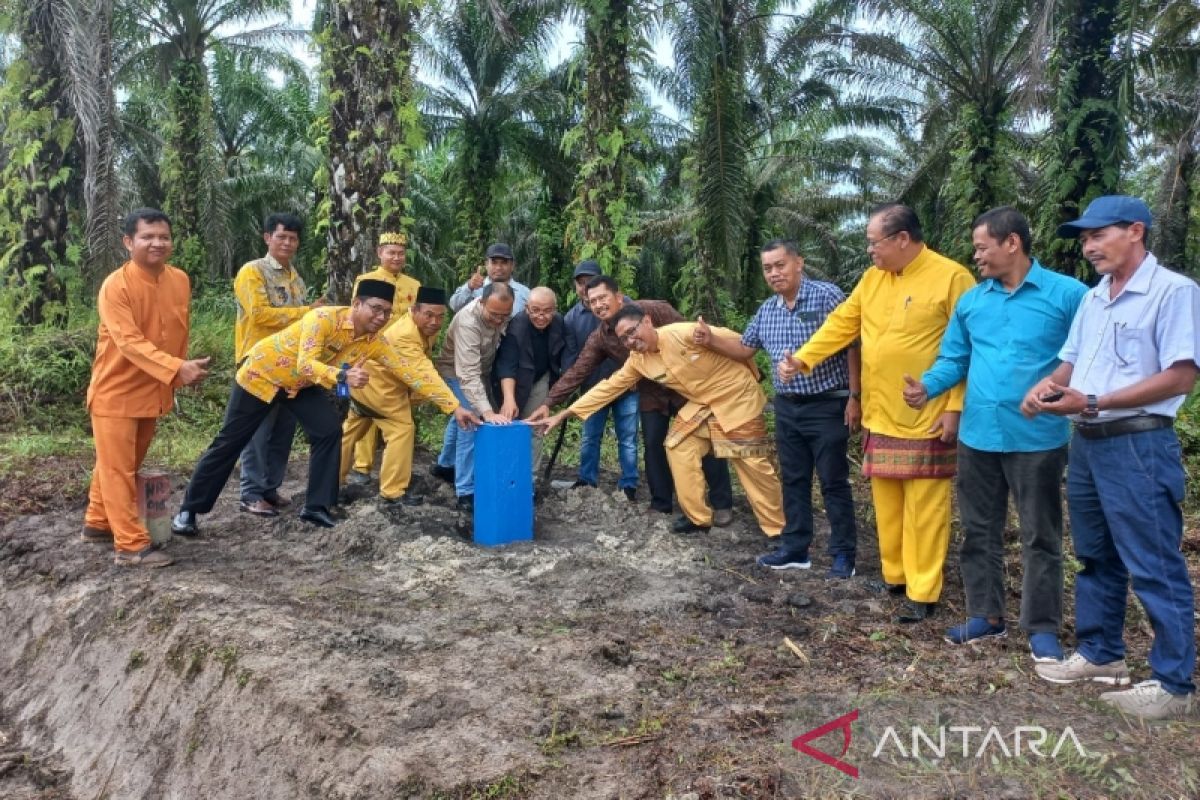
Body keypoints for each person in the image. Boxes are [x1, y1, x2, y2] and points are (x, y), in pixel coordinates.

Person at [1021, 195, 1198, 720]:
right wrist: (1045, 388)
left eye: (1098, 235)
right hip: (1091, 445)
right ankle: (1102, 654)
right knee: (1096, 556)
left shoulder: (1173, 291)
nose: (1089, 246)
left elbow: (1180, 374)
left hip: (1139, 444)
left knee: (1154, 563)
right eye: (1084, 238)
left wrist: (1093, 402)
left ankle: (1174, 683)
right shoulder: (1096, 297)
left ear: (1136, 231)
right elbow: (1072, 364)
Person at [902, 207, 1087, 660]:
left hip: (1037, 436)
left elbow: (1089, 354)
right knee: (979, 530)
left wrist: (1060, 390)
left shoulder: (1069, 295)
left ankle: (1041, 626)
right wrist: (928, 386)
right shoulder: (973, 302)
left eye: (982, 247)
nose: (976, 256)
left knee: (1040, 534)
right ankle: (985, 615)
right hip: (979, 435)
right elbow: (955, 358)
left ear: (1012, 244)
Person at [786, 204, 975, 623]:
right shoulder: (873, 279)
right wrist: (804, 359)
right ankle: (896, 576)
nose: (869, 250)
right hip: (881, 412)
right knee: (886, 501)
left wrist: (955, 407)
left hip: (928, 413)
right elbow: (842, 323)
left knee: (924, 506)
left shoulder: (952, 277)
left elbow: (966, 350)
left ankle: (923, 591)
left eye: (874, 242)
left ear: (902, 239)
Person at [171, 279, 475, 532]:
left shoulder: (375, 341)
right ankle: (189, 511)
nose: (381, 317)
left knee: (328, 431)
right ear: (356, 304)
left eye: (386, 312)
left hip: (300, 386)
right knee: (229, 442)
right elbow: (306, 363)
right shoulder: (323, 319)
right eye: (375, 309)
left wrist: (453, 407)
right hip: (261, 376)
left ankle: (317, 507)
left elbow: (413, 372)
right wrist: (342, 375)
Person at [694, 239, 861, 577]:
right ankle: (796, 548)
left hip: (828, 403)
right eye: (768, 268)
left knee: (833, 481)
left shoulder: (827, 296)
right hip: (787, 408)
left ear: (798, 262)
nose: (774, 273)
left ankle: (844, 554)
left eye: (780, 265)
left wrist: (855, 396)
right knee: (794, 479)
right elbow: (745, 348)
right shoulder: (767, 310)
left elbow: (853, 343)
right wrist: (710, 339)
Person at [540, 307, 784, 537]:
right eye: (624, 339)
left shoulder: (684, 333)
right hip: (703, 404)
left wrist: (751, 372)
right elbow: (608, 388)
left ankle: (777, 529)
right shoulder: (639, 361)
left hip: (736, 396)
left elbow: (745, 344)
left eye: (632, 332)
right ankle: (697, 518)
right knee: (678, 446)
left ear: (647, 321)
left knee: (750, 462)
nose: (630, 341)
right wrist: (564, 414)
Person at [526, 276, 734, 527]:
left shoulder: (653, 310)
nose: (599, 305)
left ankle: (722, 503)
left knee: (707, 439)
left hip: (686, 387)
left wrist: (718, 377)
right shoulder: (601, 336)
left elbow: (693, 338)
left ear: (619, 297)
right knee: (653, 443)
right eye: (593, 302)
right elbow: (578, 371)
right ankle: (661, 503)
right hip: (650, 391)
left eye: (603, 298)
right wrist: (549, 402)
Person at [82, 208, 211, 567]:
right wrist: (175, 369)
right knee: (118, 471)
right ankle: (130, 545)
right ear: (129, 242)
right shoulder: (115, 286)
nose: (157, 243)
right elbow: (129, 343)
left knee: (121, 463)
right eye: (147, 237)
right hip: (116, 391)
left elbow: (176, 332)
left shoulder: (180, 280)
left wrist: (181, 373)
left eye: (163, 237)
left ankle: (96, 522)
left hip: (154, 388)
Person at [338, 287, 480, 506]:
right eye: (429, 315)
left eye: (440, 316)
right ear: (414, 310)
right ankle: (393, 492)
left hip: (366, 388)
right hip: (381, 390)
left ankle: (331, 480)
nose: (435, 321)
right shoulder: (406, 335)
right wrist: (455, 406)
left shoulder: (421, 328)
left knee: (350, 434)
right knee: (402, 430)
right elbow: (424, 375)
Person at [232, 212, 322, 518]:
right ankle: (251, 492)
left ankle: (270, 488)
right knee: (258, 428)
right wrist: (308, 312)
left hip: (291, 364)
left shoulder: (296, 278)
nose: (287, 242)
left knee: (284, 428)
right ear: (267, 237)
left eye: (293, 238)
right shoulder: (252, 272)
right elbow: (259, 314)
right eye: (281, 236)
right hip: (258, 362)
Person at [344, 231, 422, 485]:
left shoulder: (414, 285)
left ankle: (392, 469)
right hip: (371, 352)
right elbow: (358, 314)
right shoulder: (366, 280)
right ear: (380, 253)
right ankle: (362, 466)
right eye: (391, 252)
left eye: (400, 253)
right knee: (365, 412)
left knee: (397, 410)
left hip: (401, 357)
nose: (396, 257)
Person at [432, 282, 516, 510]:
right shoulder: (468, 321)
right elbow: (467, 374)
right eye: (494, 315)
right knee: (472, 422)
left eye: (504, 316)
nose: (499, 320)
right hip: (457, 373)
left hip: (481, 372)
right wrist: (487, 412)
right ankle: (465, 491)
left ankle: (445, 465)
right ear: (481, 303)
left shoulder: (503, 314)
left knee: (459, 418)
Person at [561, 260, 637, 493]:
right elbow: (571, 356)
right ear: (576, 286)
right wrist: (571, 385)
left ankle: (629, 484)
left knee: (628, 438)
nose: (585, 288)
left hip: (627, 386)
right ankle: (587, 480)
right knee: (590, 437)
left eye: (589, 282)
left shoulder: (626, 307)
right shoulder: (572, 318)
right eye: (580, 283)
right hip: (593, 388)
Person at [494, 287, 567, 475]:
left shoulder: (559, 322)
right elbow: (507, 365)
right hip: (514, 380)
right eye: (535, 310)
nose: (541, 316)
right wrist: (509, 399)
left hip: (541, 378)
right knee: (509, 426)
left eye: (547, 311)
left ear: (555, 309)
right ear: (527, 308)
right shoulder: (517, 326)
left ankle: (530, 479)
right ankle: (506, 474)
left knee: (535, 427)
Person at [447, 242, 531, 316]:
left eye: (504, 262)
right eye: (494, 262)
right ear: (486, 264)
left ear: (512, 266)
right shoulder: (475, 289)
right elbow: (454, 306)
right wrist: (469, 287)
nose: (498, 267)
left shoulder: (525, 293)